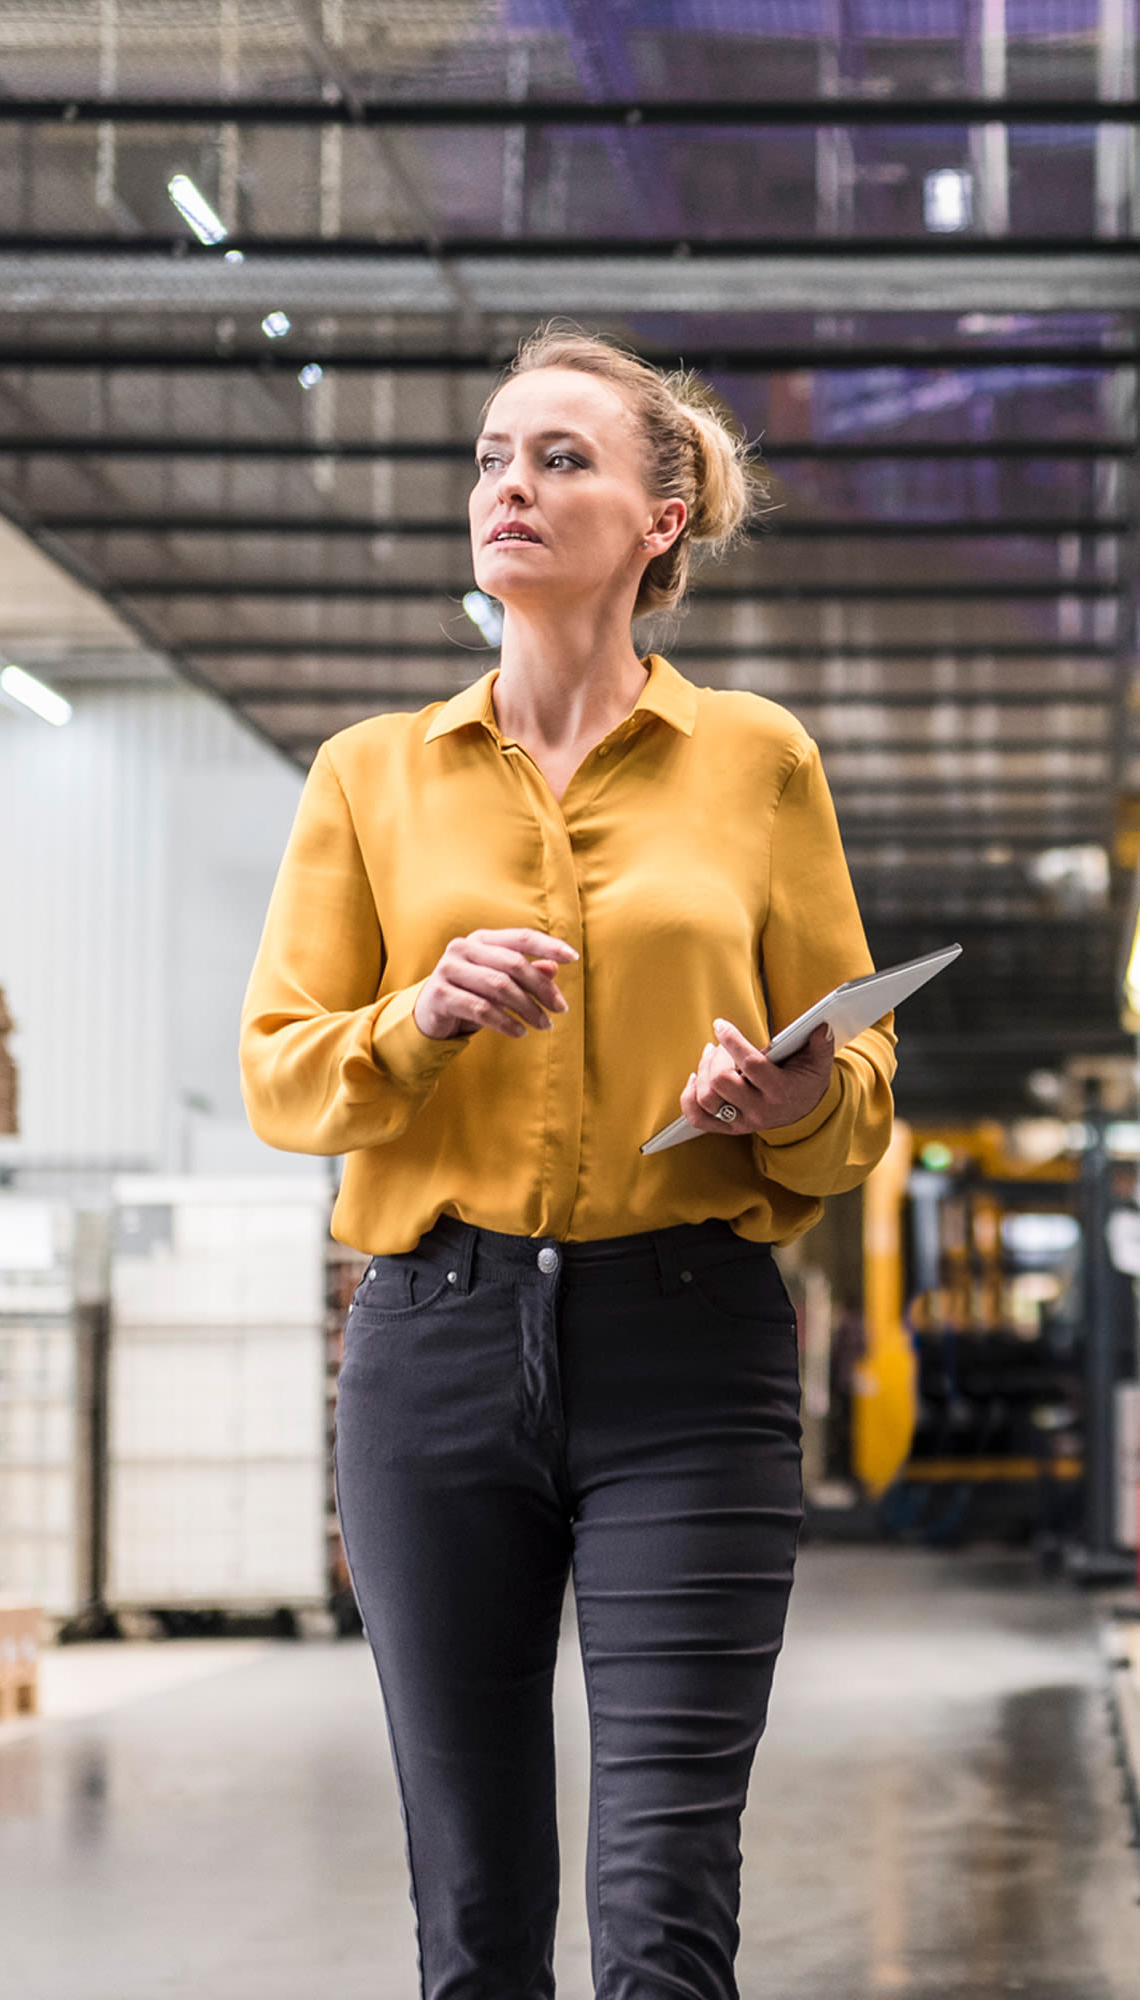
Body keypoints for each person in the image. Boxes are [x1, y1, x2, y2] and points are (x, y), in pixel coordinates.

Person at [240, 324, 896, 2000]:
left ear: (660, 520)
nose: (508, 488)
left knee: (665, 1897)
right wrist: (414, 1019)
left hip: (689, 1346)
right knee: (473, 1909)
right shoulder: (369, 775)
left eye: (559, 459)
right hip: (432, 1347)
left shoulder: (757, 761)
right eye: (488, 458)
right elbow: (281, 1073)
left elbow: (862, 1073)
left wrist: (781, 1104)